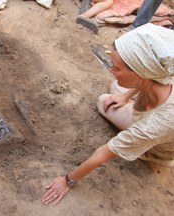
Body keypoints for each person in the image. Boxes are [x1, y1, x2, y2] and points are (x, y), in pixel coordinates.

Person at [42, 23, 174, 206]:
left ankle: (156, 155)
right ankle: (126, 95)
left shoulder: (158, 124)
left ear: (142, 74)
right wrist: (124, 96)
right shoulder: (164, 66)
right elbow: (149, 82)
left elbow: (104, 152)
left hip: (160, 143)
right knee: (115, 89)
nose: (111, 70)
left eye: (117, 68)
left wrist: (68, 180)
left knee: (103, 100)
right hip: (153, 96)